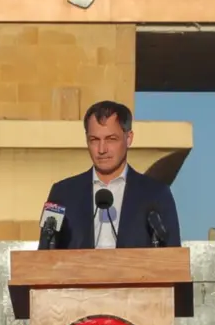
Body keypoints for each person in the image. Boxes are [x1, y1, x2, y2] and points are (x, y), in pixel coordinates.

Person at [41, 100, 181, 250]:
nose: (102, 149)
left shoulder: (156, 194)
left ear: (128, 139)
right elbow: (44, 254)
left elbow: (172, 256)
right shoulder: (62, 194)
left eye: (111, 139)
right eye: (94, 140)